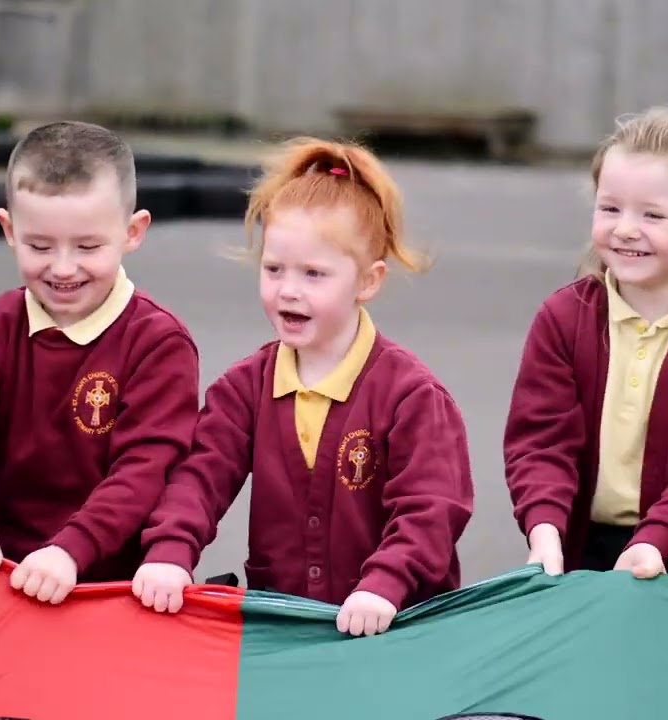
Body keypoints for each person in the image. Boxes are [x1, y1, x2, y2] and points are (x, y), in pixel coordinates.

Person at [130, 137, 475, 637]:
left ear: (367, 281)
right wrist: (169, 552)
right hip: (287, 628)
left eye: (314, 274)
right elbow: (199, 479)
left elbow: (432, 510)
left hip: (397, 630)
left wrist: (385, 583)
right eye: (274, 270)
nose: (288, 289)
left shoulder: (412, 397)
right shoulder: (244, 388)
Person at [0, 121, 201, 605]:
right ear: (9, 230)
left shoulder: (159, 342)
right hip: (11, 573)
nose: (64, 268)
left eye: (88, 247)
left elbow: (145, 469)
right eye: (40, 246)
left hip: (119, 592)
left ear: (133, 232)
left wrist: (70, 550)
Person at [503, 107, 668, 582]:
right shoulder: (561, 321)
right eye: (610, 208)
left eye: (653, 214)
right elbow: (540, 442)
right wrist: (544, 530)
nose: (625, 228)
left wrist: (654, 542)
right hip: (577, 551)